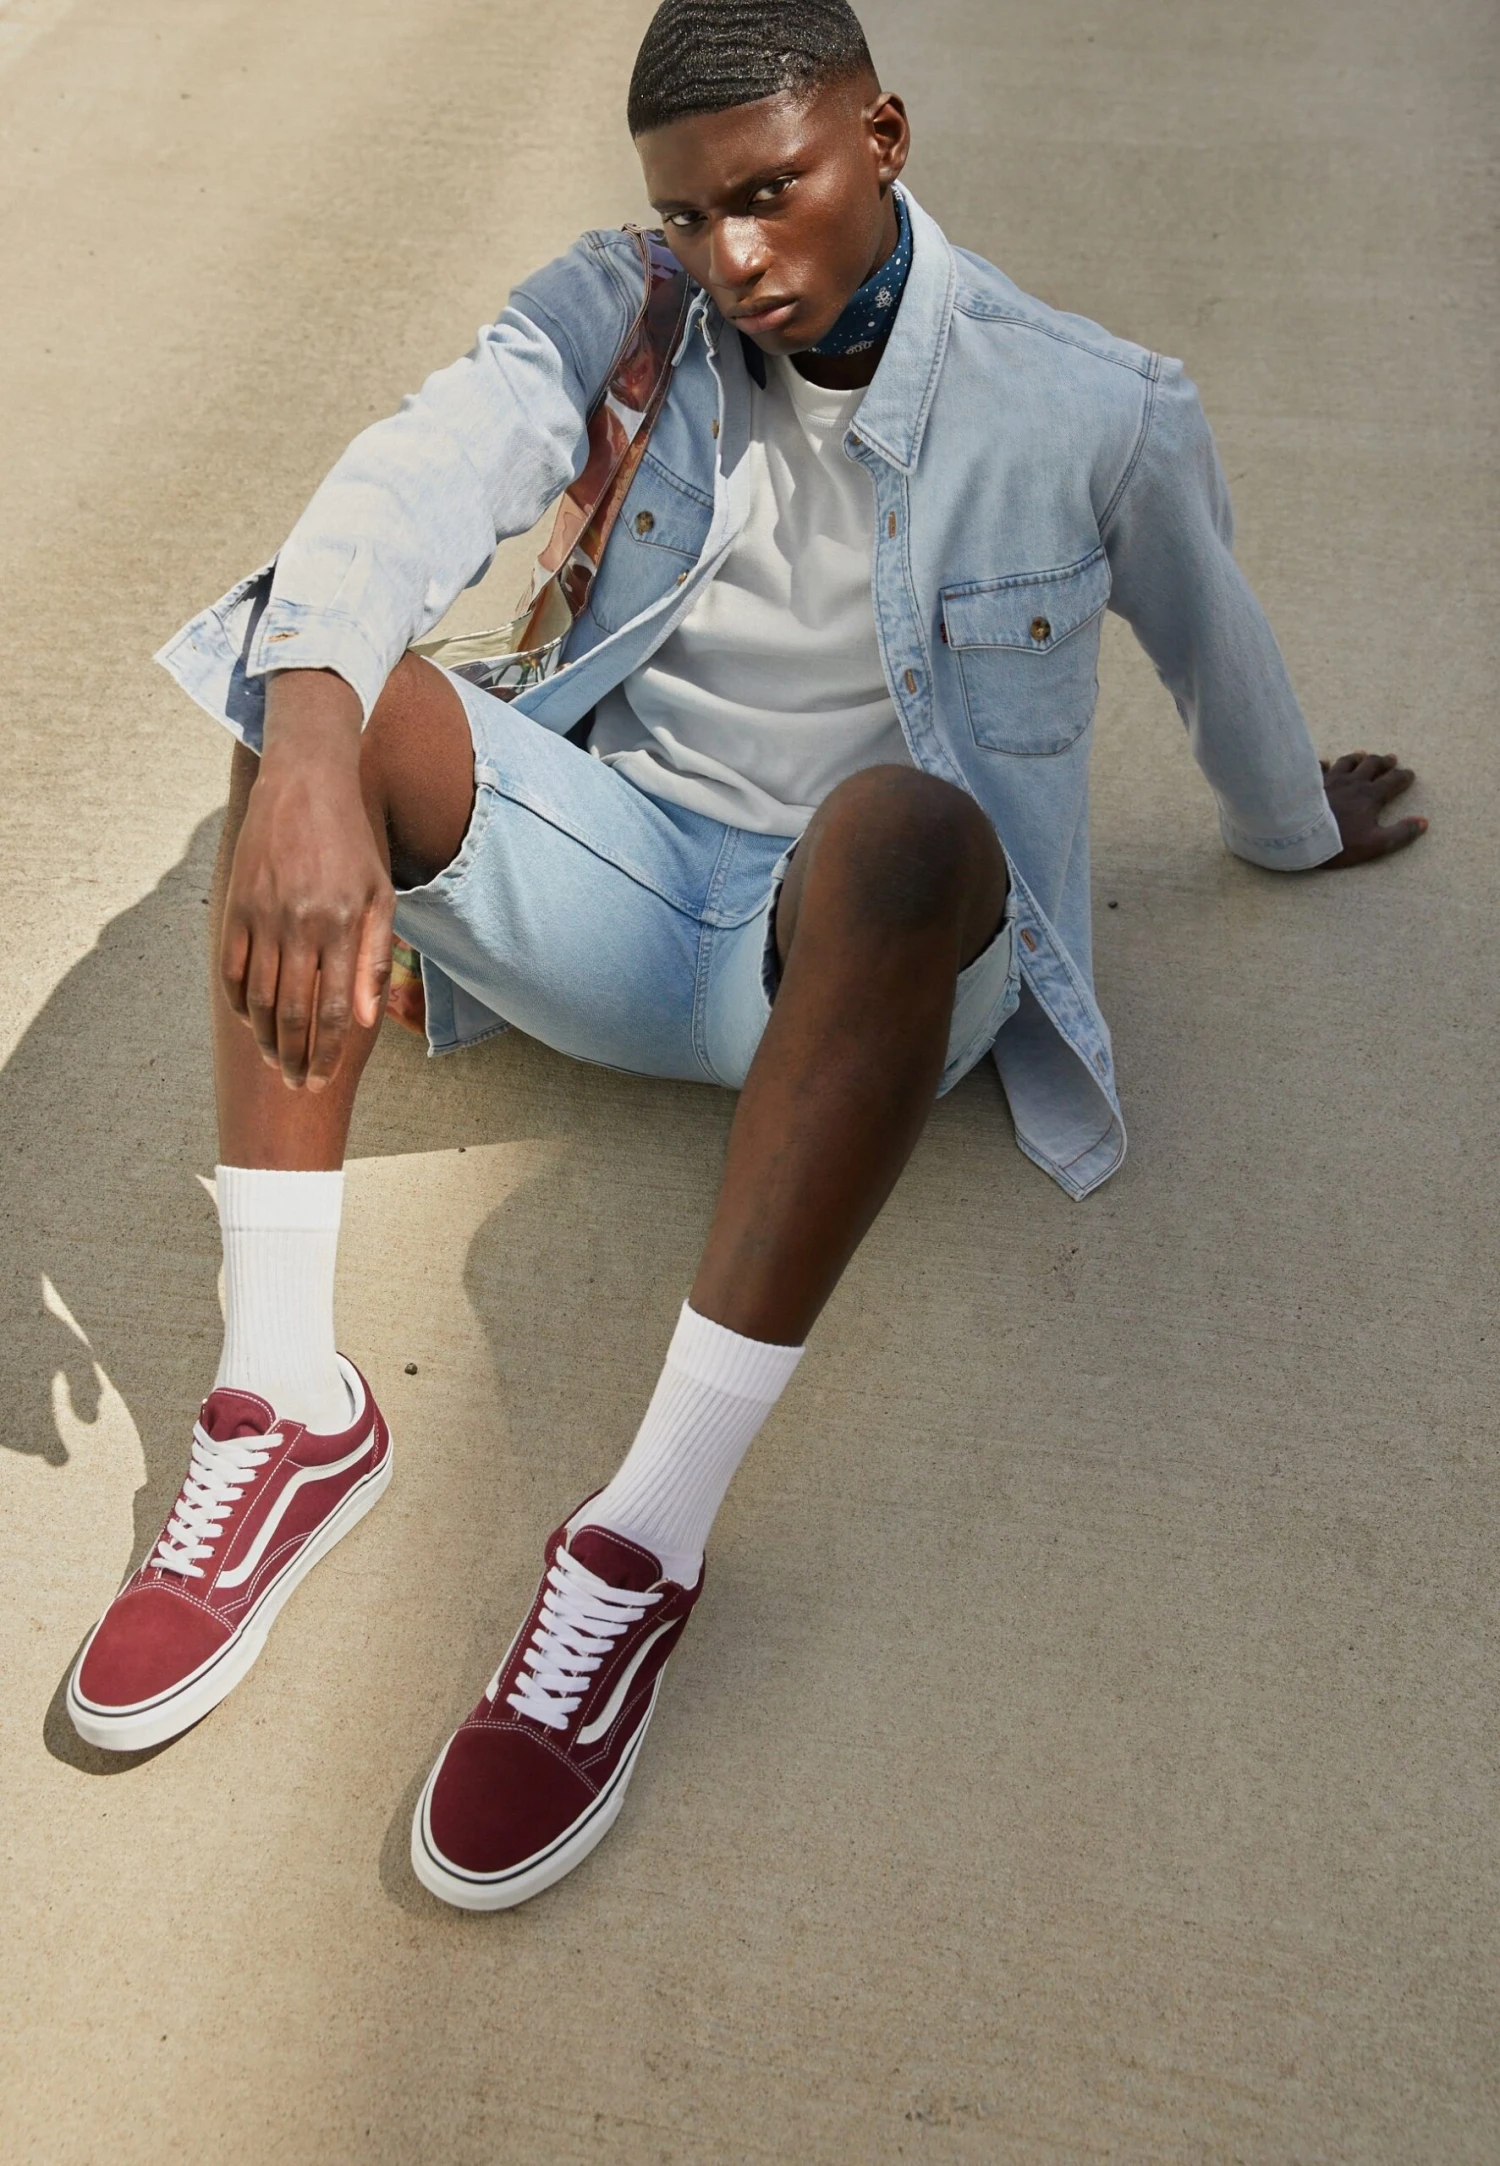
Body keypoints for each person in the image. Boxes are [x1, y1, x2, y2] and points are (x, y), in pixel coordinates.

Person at [66, 0, 1426, 1909]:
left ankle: (641, 1541)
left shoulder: (1089, 406)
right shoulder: (625, 313)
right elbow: (416, 471)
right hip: (623, 898)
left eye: (772, 195)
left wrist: (1293, 824)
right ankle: (287, 1400)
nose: (734, 259)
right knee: (309, 688)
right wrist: (305, 745)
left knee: (907, 829)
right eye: (692, 216)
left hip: (867, 965)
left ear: (884, 135)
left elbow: (1217, 646)